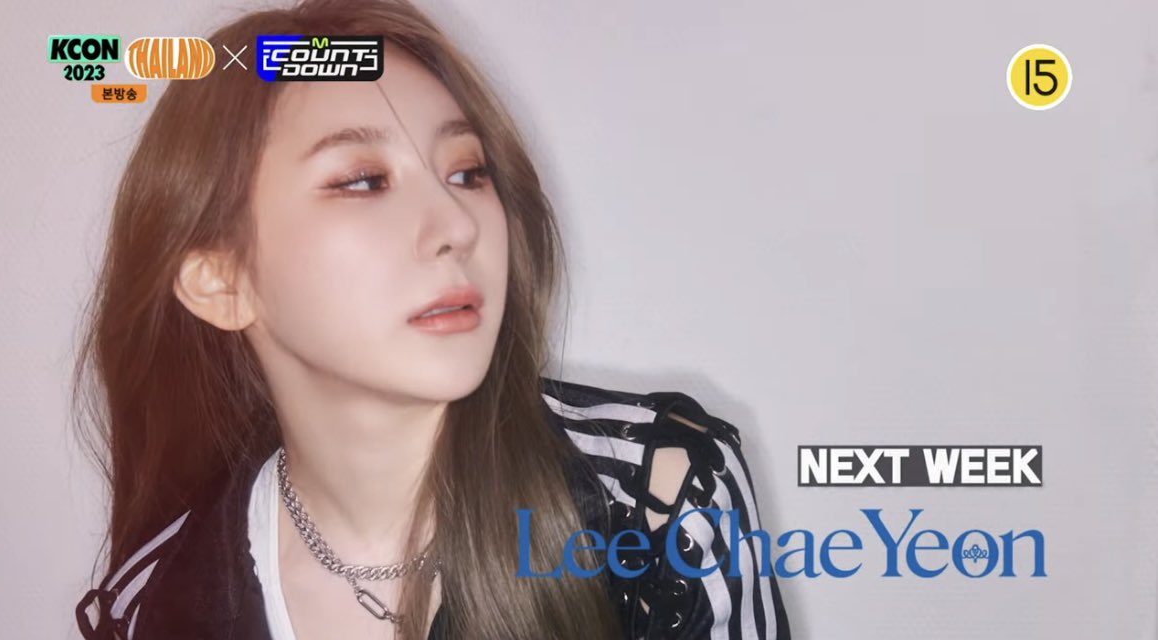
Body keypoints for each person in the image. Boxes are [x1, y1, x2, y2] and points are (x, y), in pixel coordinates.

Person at [70, 0, 791, 637]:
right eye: (364, 181)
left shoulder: (657, 495)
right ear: (222, 282)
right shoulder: (152, 606)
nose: (457, 224)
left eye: (467, 173)